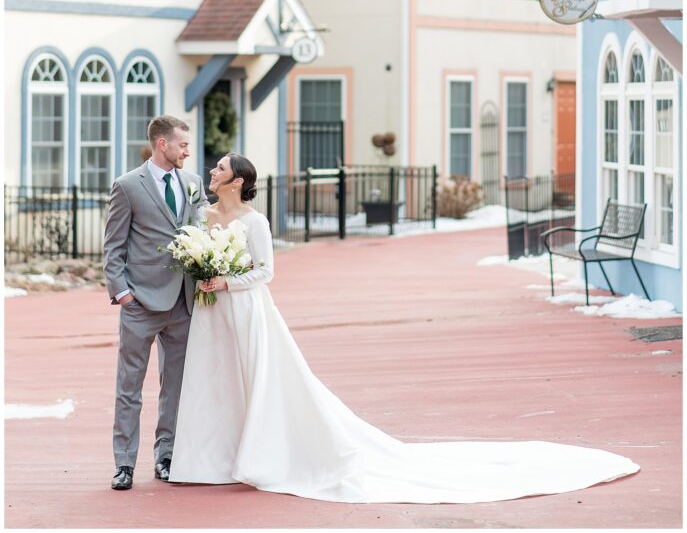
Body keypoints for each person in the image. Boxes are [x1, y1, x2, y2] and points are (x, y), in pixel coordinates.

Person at [169, 153, 639, 503]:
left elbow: (266, 273)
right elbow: (193, 250)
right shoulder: (204, 215)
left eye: (220, 168)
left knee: (255, 382)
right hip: (211, 314)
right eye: (213, 167)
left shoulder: (255, 222)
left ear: (239, 180)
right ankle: (208, 458)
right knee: (214, 383)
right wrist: (200, 273)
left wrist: (225, 281)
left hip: (245, 310)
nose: (211, 171)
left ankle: (255, 454)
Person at [103, 115, 208, 491]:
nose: (188, 151)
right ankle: (124, 464)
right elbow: (113, 247)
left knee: (175, 386)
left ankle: (167, 456)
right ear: (162, 144)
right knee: (129, 386)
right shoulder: (128, 185)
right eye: (182, 144)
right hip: (141, 303)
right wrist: (124, 294)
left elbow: (203, 232)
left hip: (183, 302)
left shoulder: (194, 184)